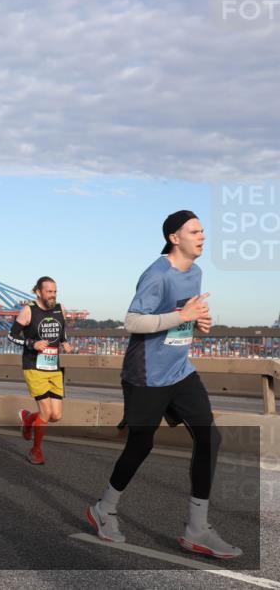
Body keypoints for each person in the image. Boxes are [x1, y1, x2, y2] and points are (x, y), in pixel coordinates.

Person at [87, 210, 241, 558]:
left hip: (180, 371)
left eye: (204, 231)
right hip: (146, 375)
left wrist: (198, 322)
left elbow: (182, 318)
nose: (203, 236)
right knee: (141, 445)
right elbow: (132, 321)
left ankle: (196, 529)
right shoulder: (157, 275)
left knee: (209, 437)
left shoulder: (196, 272)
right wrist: (182, 316)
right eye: (195, 231)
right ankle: (104, 509)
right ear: (175, 237)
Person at [9, 277, 74, 465]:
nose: (53, 295)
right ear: (38, 292)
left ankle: (28, 418)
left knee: (56, 416)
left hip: (54, 367)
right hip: (34, 367)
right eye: (49, 292)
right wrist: (32, 343)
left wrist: (65, 342)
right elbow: (11, 335)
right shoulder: (29, 310)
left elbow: (61, 331)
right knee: (45, 413)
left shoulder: (60, 308)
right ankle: (36, 451)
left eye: (55, 291)